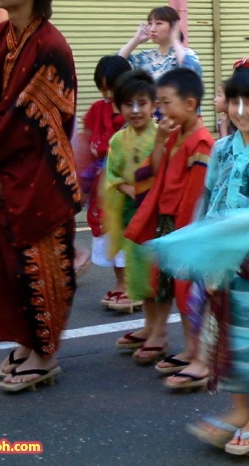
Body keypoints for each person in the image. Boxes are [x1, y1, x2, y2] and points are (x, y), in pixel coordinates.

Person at [147, 57, 249, 455]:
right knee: (227, 334)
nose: (241, 111)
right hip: (222, 259)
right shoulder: (223, 148)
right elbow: (206, 203)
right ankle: (238, 410)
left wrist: (225, 241)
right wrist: (198, 246)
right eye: (235, 100)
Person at [0, 0, 80, 392]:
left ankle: (45, 354)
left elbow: (29, 119)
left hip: (41, 170)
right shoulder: (0, 35)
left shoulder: (51, 45)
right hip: (3, 163)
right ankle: (29, 342)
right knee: (7, 261)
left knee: (41, 262)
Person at [120, 68, 213, 391]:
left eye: (165, 102)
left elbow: (195, 194)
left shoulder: (201, 140)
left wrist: (183, 235)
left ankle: (197, 351)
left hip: (183, 225)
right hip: (168, 222)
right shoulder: (175, 134)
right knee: (174, 289)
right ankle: (188, 348)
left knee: (188, 291)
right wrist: (159, 139)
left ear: (189, 104)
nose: (161, 110)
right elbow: (158, 172)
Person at [73, 55, 134, 311]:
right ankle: (122, 284)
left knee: (127, 234)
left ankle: (132, 286)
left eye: (112, 87)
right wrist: (80, 184)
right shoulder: (97, 110)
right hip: (102, 185)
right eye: (103, 88)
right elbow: (86, 145)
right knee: (109, 234)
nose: (107, 94)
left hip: (128, 185)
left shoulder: (135, 109)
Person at [103, 70, 159, 335]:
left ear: (154, 105)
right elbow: (112, 175)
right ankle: (148, 327)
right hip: (132, 217)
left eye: (142, 103)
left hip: (159, 219)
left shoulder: (164, 137)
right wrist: (128, 188)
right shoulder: (117, 141)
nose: (135, 110)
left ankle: (158, 331)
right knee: (139, 276)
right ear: (118, 106)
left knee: (158, 277)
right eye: (128, 104)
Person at [118, 6, 202, 80]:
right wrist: (135, 40)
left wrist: (175, 40)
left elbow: (192, 73)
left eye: (159, 23)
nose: (152, 29)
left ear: (173, 26)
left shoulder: (185, 54)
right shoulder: (146, 57)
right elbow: (116, 65)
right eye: (150, 24)